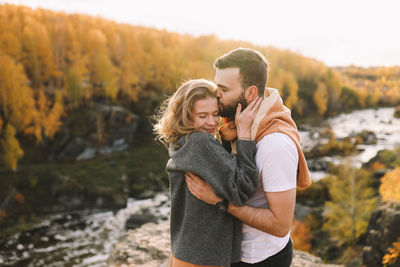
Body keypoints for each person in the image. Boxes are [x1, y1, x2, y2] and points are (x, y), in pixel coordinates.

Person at [185, 48, 312, 267]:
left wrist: (219, 201)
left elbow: (280, 225)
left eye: (223, 89)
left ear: (251, 93)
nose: (217, 95)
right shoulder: (235, 125)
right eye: (217, 87)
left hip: (258, 259)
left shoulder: (275, 145)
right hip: (229, 251)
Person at [153, 78, 263, 267]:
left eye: (215, 114)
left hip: (185, 252)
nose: (212, 122)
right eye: (203, 116)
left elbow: (220, 172)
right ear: (185, 116)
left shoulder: (182, 142)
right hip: (204, 258)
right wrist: (244, 134)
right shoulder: (200, 143)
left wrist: (226, 142)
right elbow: (244, 187)